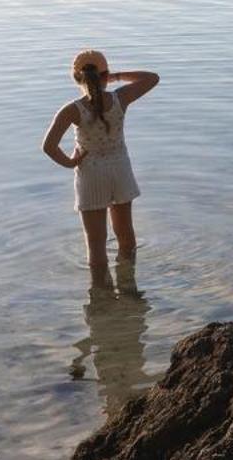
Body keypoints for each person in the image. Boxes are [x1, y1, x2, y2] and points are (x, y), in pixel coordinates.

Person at [41, 50, 159, 284]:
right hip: (120, 170)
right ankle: (129, 288)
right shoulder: (120, 98)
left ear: (77, 78)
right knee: (126, 237)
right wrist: (116, 77)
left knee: (96, 244)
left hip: (91, 172)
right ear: (105, 75)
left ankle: (100, 299)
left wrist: (71, 162)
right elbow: (152, 78)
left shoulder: (72, 109)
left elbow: (49, 146)